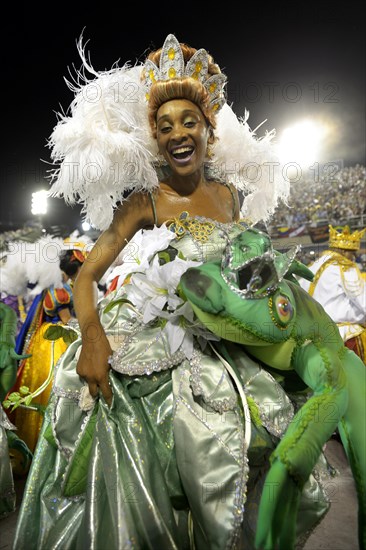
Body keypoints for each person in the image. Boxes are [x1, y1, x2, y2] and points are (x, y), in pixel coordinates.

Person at [12, 34, 364, 550]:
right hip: (152, 332)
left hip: (225, 338)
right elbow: (86, 276)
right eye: (164, 126)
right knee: (136, 438)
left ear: (208, 130)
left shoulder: (229, 198)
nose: (177, 134)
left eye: (189, 122)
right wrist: (91, 336)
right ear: (154, 138)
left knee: (252, 438)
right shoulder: (142, 203)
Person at [4, 238, 88, 453]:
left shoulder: (53, 283)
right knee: (58, 386)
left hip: (44, 341)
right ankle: (54, 445)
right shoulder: (60, 288)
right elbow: (67, 321)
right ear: (75, 268)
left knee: (40, 386)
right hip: (57, 340)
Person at [299, 224, 366, 363]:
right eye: (352, 253)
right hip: (345, 338)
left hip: (314, 340)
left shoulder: (311, 267)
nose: (353, 258)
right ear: (344, 250)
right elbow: (363, 301)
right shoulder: (344, 267)